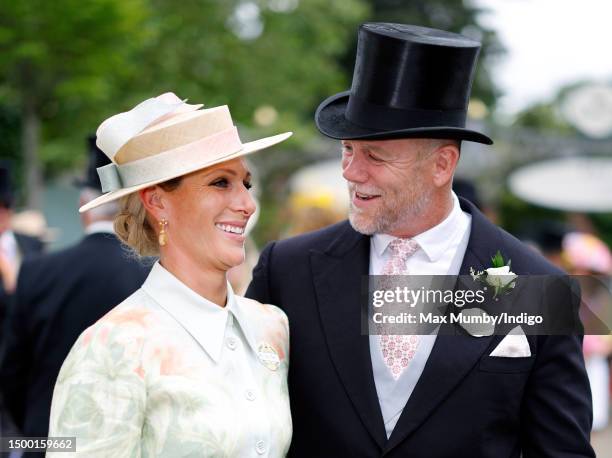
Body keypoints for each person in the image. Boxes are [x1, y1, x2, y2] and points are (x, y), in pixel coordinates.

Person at [246, 23, 594, 457]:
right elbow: (242, 421)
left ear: (442, 164)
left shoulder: (536, 286)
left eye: (374, 155)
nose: (351, 172)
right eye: (348, 150)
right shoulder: (288, 269)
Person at [47, 93, 292, 457]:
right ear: (157, 200)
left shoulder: (271, 326)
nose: (247, 204)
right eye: (221, 182)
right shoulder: (110, 348)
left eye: (246, 183)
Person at [0, 137, 150, 457]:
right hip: (127, 444)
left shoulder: (36, 272)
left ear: (84, 206)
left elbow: (12, 372)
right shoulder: (154, 275)